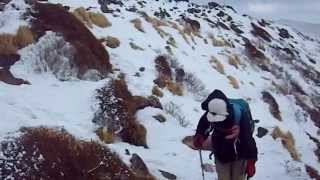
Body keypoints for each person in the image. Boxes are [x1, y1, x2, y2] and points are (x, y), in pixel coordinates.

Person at [193, 89, 258, 180]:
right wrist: (200, 135)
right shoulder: (212, 112)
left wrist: (251, 161)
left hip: (239, 154)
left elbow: (248, 139)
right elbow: (203, 123)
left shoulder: (240, 115)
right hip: (221, 153)